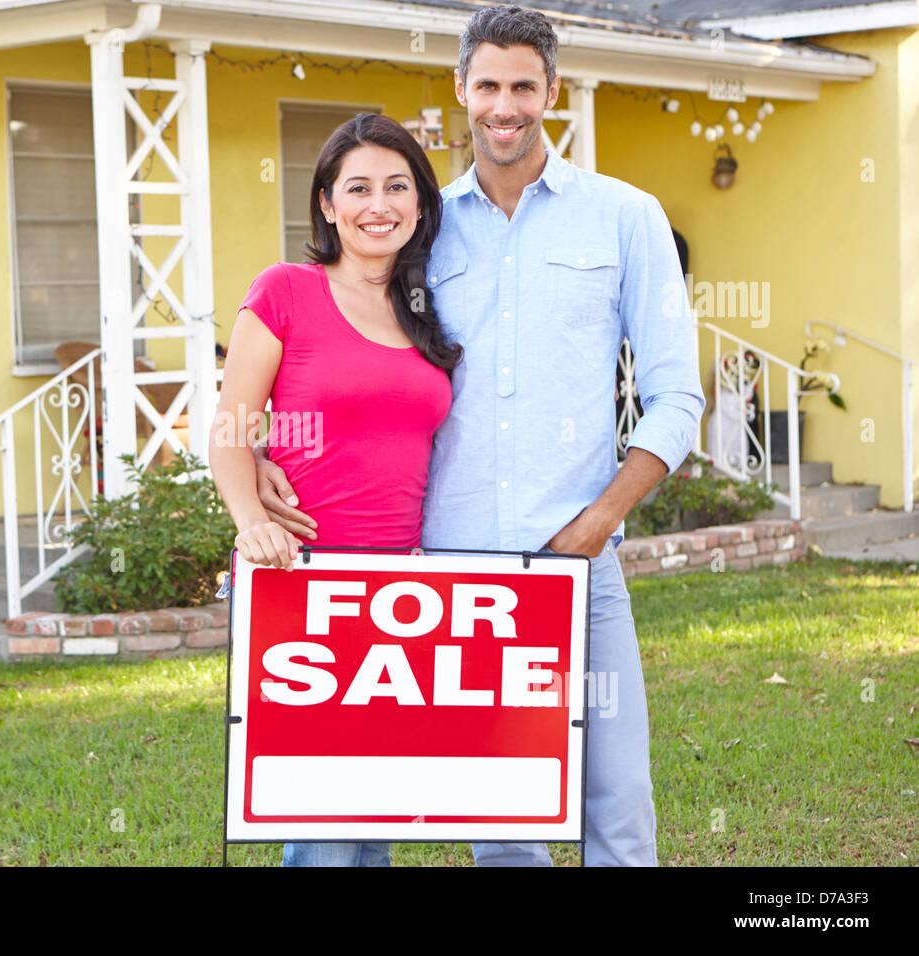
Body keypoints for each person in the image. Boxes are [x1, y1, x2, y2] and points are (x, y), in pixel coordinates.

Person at [253, 5, 705, 866]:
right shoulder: (416, 224)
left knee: (618, 811)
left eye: (523, 86)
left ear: (552, 91)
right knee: (503, 828)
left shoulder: (624, 217)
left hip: (579, 561)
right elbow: (329, 337)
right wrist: (267, 450)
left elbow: (676, 396)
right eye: (488, 85)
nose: (506, 106)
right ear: (461, 89)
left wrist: (601, 520)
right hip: (454, 577)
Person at [206, 112, 462, 866]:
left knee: (372, 809)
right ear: (326, 202)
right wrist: (252, 516)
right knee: (323, 819)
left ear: (419, 204)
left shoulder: (426, 310)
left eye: (396, 186)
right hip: (303, 583)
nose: (377, 204)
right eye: (357, 188)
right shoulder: (286, 291)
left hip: (404, 591)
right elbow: (230, 429)